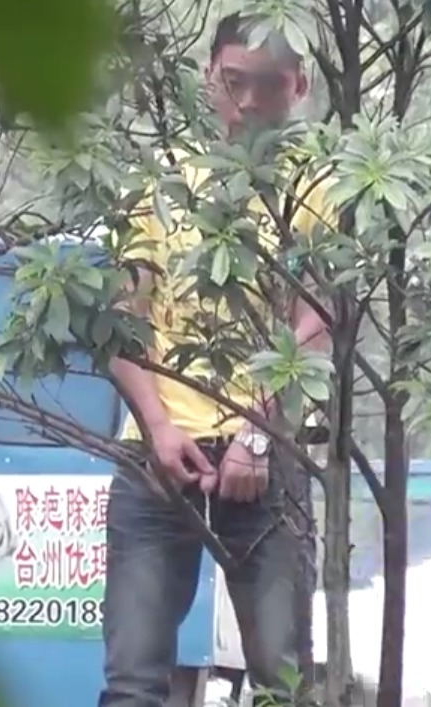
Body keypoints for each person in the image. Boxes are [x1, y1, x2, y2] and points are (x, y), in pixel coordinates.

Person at [100, 13, 332, 707]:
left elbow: (315, 328)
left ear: (300, 85)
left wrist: (256, 436)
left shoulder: (316, 192)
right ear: (209, 77)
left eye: (269, 85)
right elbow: (120, 329)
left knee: (281, 680)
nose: (250, 102)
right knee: (133, 681)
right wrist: (159, 429)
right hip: (157, 463)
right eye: (235, 83)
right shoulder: (159, 188)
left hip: (267, 460)